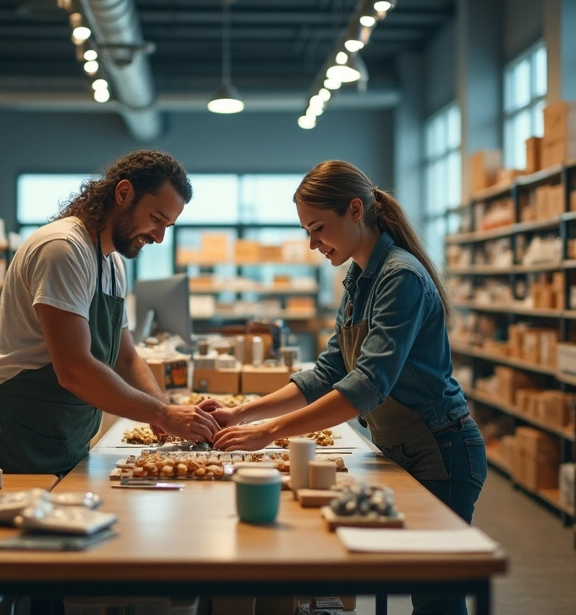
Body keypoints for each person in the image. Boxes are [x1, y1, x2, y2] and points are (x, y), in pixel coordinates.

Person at [206, 160, 484, 615]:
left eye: (318, 229)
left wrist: (270, 432)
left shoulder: (401, 277)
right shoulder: (358, 279)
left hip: (442, 450)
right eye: (306, 231)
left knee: (436, 597)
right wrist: (242, 415)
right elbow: (327, 372)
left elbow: (367, 384)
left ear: (356, 210)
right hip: (400, 449)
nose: (312, 244)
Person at [0, 150, 219, 476]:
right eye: (156, 219)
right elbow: (75, 370)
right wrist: (161, 415)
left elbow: (125, 359)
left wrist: (167, 408)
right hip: (17, 440)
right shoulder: (63, 249)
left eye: (167, 225)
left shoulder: (112, 264)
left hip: (67, 438)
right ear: (124, 193)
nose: (159, 237)